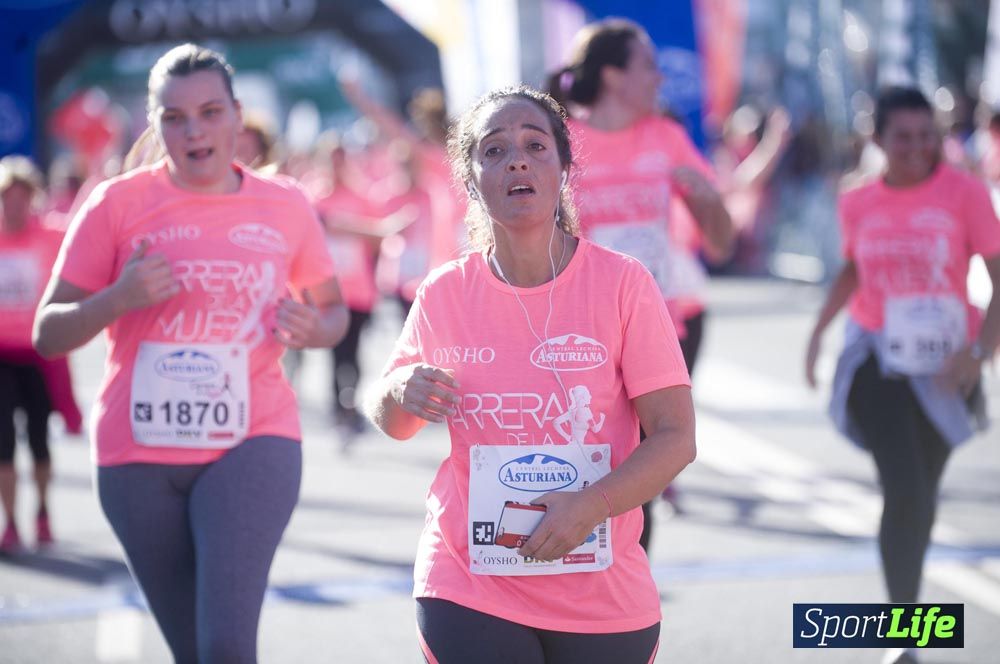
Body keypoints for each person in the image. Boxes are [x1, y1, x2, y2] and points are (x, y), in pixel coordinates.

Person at [33, 44, 349, 662]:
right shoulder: (115, 204)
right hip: (136, 452)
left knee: (227, 647)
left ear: (237, 115)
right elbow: (50, 332)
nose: (194, 130)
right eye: (173, 117)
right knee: (193, 651)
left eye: (209, 112)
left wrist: (314, 327)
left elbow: (333, 311)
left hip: (254, 438)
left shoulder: (284, 204)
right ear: (153, 125)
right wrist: (119, 298)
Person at [364, 85, 695, 664]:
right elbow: (392, 420)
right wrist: (397, 390)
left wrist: (590, 506)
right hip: (469, 581)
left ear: (564, 167)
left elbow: (675, 436)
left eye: (535, 145)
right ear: (470, 180)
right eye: (493, 150)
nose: (516, 159)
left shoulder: (622, 284)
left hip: (602, 590)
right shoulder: (446, 292)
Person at [804, 86, 1000, 664]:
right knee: (905, 487)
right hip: (877, 363)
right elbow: (851, 269)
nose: (916, 149)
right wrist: (818, 333)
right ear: (879, 140)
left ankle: (908, 623)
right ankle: (904, 635)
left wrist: (979, 355)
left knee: (922, 497)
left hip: (946, 369)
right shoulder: (857, 200)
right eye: (903, 138)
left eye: (926, 137)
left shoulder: (965, 194)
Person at [550, 17, 733, 545]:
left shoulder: (667, 137)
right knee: (600, 462)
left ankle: (630, 602)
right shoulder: (562, 144)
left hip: (659, 326)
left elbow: (719, 241)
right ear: (612, 76)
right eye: (648, 66)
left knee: (644, 468)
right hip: (583, 332)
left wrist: (707, 199)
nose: (660, 78)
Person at [0, 155, 81, 553]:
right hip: (0, 355)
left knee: (38, 440)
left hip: (38, 352)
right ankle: (11, 522)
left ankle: (43, 511)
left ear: (32, 199)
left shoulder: (51, 235)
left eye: (20, 199)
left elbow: (88, 245)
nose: (13, 207)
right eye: (6, 200)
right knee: (2, 444)